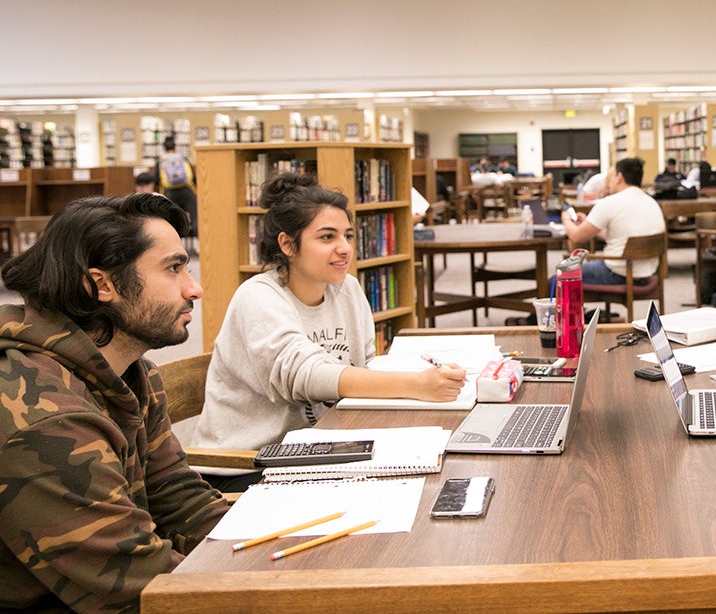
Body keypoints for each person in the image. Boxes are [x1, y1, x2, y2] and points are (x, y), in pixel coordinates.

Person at [0, 193, 229, 612]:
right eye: (174, 268)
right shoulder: (44, 420)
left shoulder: (130, 371)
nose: (194, 288)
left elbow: (176, 495)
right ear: (101, 284)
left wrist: (260, 546)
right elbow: (131, 584)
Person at [190, 173, 465, 491]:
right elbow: (303, 376)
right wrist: (415, 385)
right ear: (288, 244)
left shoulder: (346, 288)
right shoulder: (258, 297)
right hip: (244, 467)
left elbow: (363, 367)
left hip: (315, 450)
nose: (345, 248)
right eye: (326, 237)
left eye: (347, 236)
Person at [560, 157, 666, 287]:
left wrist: (565, 219)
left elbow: (576, 237)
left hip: (618, 273)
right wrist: (588, 223)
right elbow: (625, 237)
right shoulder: (651, 202)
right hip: (647, 274)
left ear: (619, 177)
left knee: (559, 277)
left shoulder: (609, 202)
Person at [155, 134, 198, 244]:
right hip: (186, 190)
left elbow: (156, 178)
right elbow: (192, 176)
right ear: (175, 147)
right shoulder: (182, 158)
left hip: (170, 192)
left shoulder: (160, 160)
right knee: (195, 213)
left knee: (172, 217)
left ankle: (176, 242)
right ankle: (199, 242)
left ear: (164, 148)